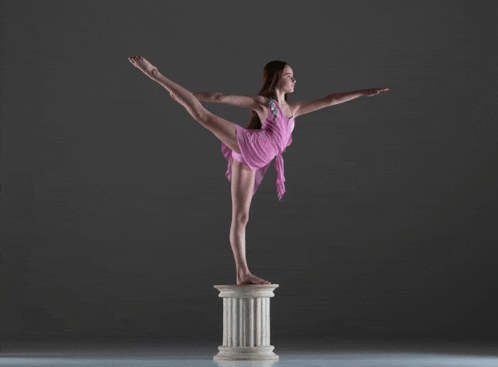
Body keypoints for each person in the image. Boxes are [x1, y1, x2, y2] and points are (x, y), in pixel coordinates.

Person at [128, 56, 388, 285]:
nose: (294, 80)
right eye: (289, 76)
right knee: (202, 115)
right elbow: (221, 98)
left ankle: (242, 273)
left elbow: (331, 100)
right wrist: (190, 95)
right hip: (250, 144)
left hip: (251, 160)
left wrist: (362, 92)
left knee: (241, 217)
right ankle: (155, 74)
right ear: (276, 79)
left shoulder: (294, 109)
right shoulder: (263, 104)